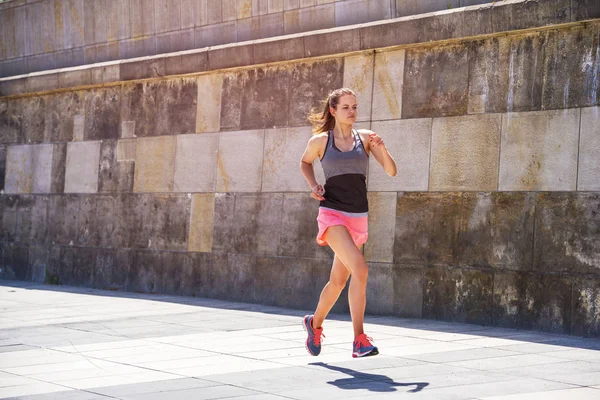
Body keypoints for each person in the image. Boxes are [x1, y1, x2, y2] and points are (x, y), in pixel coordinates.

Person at [299, 87, 397, 358]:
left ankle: (314, 323)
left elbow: (391, 171)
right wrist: (313, 184)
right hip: (332, 214)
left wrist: (382, 148)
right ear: (333, 110)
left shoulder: (365, 139)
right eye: (346, 107)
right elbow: (305, 163)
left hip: (358, 217)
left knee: (338, 282)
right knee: (361, 269)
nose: (352, 111)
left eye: (355, 106)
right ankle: (359, 340)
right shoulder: (320, 141)